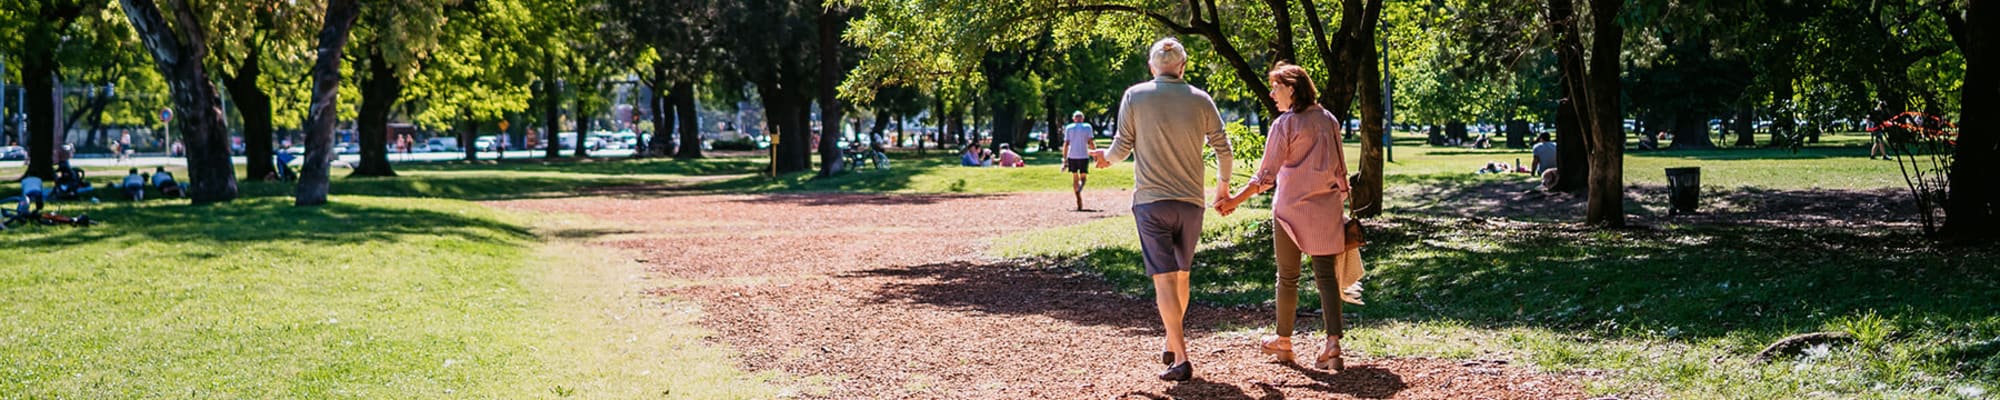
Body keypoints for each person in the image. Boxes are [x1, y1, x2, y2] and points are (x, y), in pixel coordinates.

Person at [1089, 37, 1233, 382]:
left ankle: (1181, 357)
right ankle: (1172, 340)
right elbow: (1223, 149)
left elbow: (1122, 146)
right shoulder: (1201, 99)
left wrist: (1105, 160)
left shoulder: (1135, 95)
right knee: (1182, 275)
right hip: (1191, 202)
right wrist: (1223, 188)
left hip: (1152, 202)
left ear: (1152, 66)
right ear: (1182, 66)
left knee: (1164, 280)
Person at [1215, 62, 1356, 371]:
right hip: (1326, 209)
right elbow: (1341, 172)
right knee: (1327, 278)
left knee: (1287, 277)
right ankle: (1333, 344)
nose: (1271, 93)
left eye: (1276, 87)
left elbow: (1265, 176)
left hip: (1290, 211)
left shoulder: (1285, 125)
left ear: (1291, 89)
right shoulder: (1329, 120)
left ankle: (1284, 342)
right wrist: (1337, 202)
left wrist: (1233, 200)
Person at [1062, 111, 1098, 211]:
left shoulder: (1069, 127)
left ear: (1074, 118)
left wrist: (1064, 159)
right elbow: (1090, 142)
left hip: (1072, 155)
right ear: (1082, 118)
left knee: (1075, 177)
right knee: (1083, 178)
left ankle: (1077, 196)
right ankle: (1079, 190)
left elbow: (1066, 144)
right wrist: (1095, 155)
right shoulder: (1087, 127)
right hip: (1083, 155)